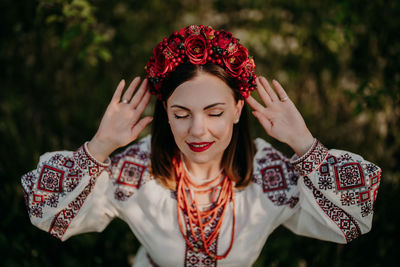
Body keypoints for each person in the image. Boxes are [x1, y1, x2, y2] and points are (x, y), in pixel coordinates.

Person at [21, 25, 382, 267]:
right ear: (165, 111)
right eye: (181, 114)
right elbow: (46, 213)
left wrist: (305, 145)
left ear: (238, 110)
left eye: (215, 112)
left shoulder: (270, 173)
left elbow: (352, 220)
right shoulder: (133, 171)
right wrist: (99, 147)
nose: (198, 130)